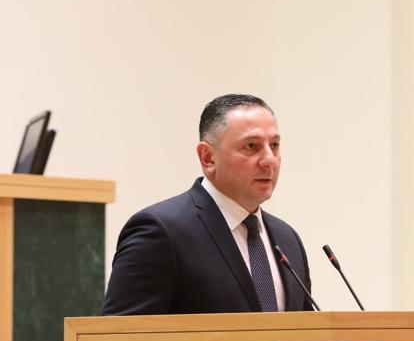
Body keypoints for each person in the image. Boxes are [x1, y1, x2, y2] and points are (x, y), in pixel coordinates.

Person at [101, 94, 313, 315]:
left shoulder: (288, 239)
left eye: (274, 145)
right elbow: (118, 333)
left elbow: (305, 333)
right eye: (251, 146)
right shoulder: (161, 232)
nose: (269, 160)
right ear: (208, 158)